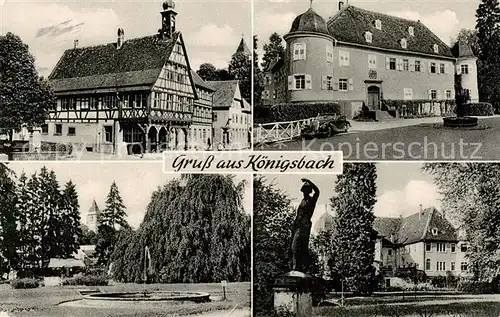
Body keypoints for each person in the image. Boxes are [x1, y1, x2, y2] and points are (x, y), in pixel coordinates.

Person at [290, 178, 320, 272]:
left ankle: (303, 267)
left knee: (299, 245)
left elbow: (317, 191)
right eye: (303, 191)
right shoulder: (302, 201)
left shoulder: (312, 200)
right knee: (294, 246)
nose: (304, 193)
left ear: (309, 191)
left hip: (305, 225)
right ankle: (297, 266)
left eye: (305, 191)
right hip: (297, 224)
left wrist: (309, 181)